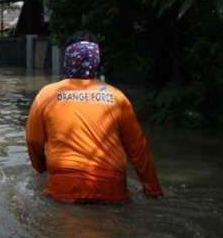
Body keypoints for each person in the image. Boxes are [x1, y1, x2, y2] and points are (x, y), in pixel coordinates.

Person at [25, 40, 163, 203]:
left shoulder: (46, 95)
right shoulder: (117, 97)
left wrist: (41, 168)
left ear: (67, 62)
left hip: (64, 189)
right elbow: (138, 149)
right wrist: (153, 191)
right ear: (96, 63)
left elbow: (33, 141)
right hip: (112, 191)